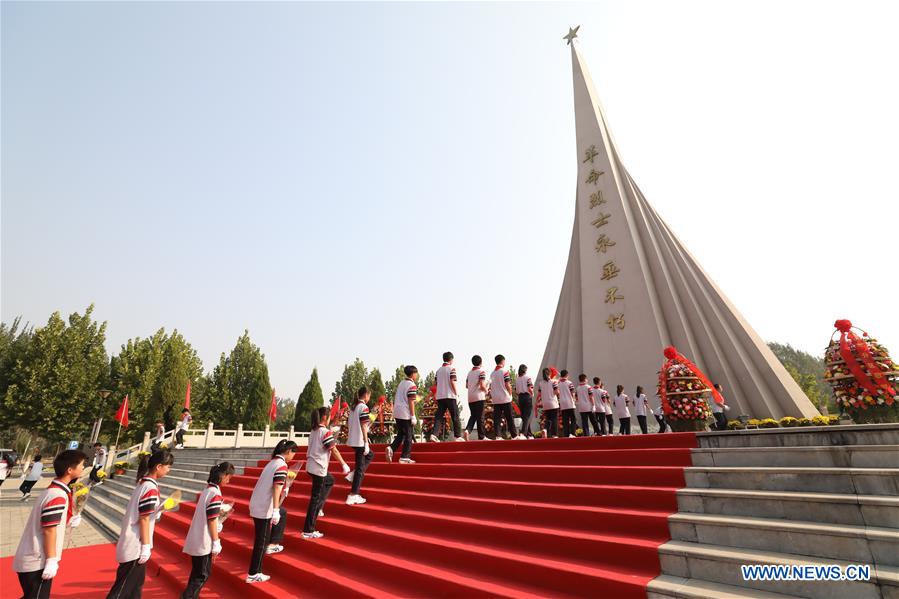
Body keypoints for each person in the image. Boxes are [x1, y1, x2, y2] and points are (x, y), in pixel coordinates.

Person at [13, 450, 86, 599]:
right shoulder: (57, 495)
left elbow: (50, 523)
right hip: (37, 560)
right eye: (82, 465)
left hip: (33, 557)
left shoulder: (54, 490)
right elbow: (49, 530)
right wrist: (52, 560)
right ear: (70, 470)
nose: (83, 468)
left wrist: (68, 521)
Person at [107, 449, 175, 598]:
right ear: (158, 467)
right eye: (168, 466)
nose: (168, 470)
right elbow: (144, 518)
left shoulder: (144, 484)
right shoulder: (150, 487)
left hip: (133, 540)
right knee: (122, 590)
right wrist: (145, 545)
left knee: (135, 588)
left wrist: (156, 511)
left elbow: (144, 514)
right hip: (136, 544)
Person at [181, 462, 234, 599]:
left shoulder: (207, 491)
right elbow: (211, 519)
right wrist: (216, 541)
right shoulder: (215, 494)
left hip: (197, 537)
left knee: (197, 573)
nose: (229, 480)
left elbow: (211, 517)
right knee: (202, 575)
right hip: (204, 540)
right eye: (229, 477)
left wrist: (218, 522)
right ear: (223, 475)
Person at [246, 440, 297, 584]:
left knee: (263, 538)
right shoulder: (281, 465)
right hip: (264, 506)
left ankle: (273, 543)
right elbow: (276, 488)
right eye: (293, 453)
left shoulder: (272, 463)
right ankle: (254, 572)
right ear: (288, 452)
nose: (293, 456)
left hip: (258, 503)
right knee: (261, 542)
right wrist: (275, 509)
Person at [303, 407, 350, 540]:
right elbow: (333, 450)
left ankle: (319, 508)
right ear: (325, 417)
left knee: (329, 481)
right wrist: (343, 464)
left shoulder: (314, 430)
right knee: (315, 499)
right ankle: (308, 529)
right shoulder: (324, 431)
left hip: (312, 466)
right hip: (319, 467)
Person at [346, 386, 373, 505]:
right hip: (360, 441)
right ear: (366, 395)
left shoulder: (354, 407)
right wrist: (366, 442)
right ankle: (353, 494)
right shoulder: (363, 407)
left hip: (353, 440)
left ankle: (354, 474)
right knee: (360, 469)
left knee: (369, 456)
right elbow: (363, 426)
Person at [387, 365, 419, 464]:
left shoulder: (401, 383)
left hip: (397, 412)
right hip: (405, 413)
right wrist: (413, 415)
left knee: (401, 434)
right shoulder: (411, 385)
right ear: (413, 374)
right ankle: (405, 457)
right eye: (416, 373)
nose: (417, 375)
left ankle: (391, 448)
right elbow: (411, 401)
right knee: (409, 435)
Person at [431, 352, 463, 442]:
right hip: (450, 396)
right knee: (455, 416)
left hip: (440, 396)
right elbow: (453, 382)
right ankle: (457, 436)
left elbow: (435, 384)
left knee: (439, 416)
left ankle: (434, 434)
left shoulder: (438, 370)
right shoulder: (452, 369)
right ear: (451, 359)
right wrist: (456, 394)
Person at [490, 355, 520, 440]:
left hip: (496, 399)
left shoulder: (492, 373)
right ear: (503, 361)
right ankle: (514, 435)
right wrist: (510, 394)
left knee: (497, 418)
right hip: (505, 398)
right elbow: (508, 385)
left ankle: (498, 436)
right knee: (509, 417)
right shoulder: (504, 372)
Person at [463, 355, 488, 441]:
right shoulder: (481, 371)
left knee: (473, 416)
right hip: (479, 397)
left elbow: (466, 385)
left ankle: (467, 430)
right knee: (480, 416)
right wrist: (487, 390)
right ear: (481, 362)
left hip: (470, 397)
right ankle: (481, 436)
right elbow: (482, 385)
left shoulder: (469, 373)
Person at [536, 368, 560, 438]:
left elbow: (539, 394)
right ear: (550, 373)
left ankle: (545, 429)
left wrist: (538, 402)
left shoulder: (541, 383)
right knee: (554, 419)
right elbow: (556, 392)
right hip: (553, 403)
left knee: (548, 418)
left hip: (545, 404)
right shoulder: (553, 382)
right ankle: (554, 434)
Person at [515, 365, 535, 439]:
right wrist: (532, 393)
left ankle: (529, 434)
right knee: (527, 416)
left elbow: (516, 391)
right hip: (527, 397)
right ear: (525, 370)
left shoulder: (517, 379)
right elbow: (530, 388)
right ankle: (523, 433)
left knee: (524, 416)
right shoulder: (527, 378)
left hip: (520, 397)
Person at [558, 370, 578, 438]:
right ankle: (572, 433)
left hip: (563, 404)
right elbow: (573, 392)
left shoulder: (558, 383)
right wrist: (574, 400)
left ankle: (566, 434)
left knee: (565, 420)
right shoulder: (569, 383)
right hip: (570, 403)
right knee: (573, 419)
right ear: (567, 375)